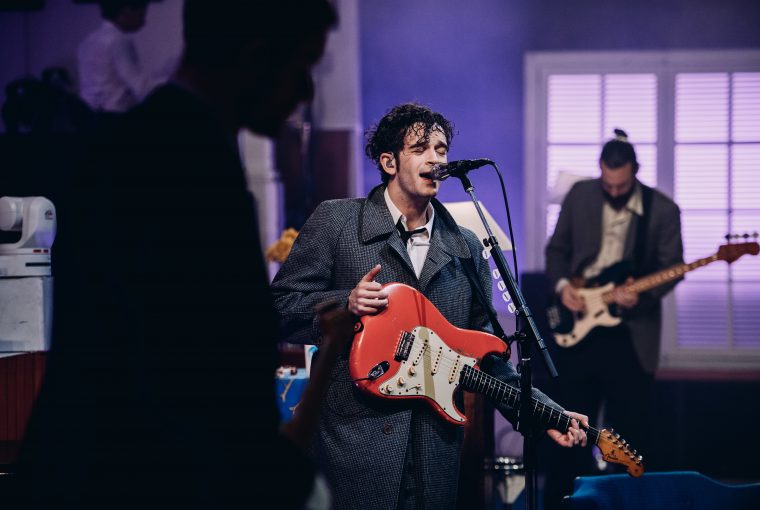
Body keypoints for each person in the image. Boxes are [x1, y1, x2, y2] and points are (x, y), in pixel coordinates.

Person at [10, 1, 337, 508]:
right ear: (255, 58)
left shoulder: (145, 143)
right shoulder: (183, 165)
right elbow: (199, 388)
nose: (306, 92)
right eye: (301, 68)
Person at [271, 102, 590, 510]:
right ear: (388, 162)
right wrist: (344, 302)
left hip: (434, 454)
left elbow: (487, 360)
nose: (436, 159)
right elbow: (278, 309)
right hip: (354, 447)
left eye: (441, 149)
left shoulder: (465, 247)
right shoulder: (337, 222)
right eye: (420, 148)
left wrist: (546, 414)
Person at [542, 129, 684, 509]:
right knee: (569, 427)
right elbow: (556, 251)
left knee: (632, 435)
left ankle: (629, 503)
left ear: (636, 171)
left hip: (631, 334)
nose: (614, 191)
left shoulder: (663, 210)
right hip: (579, 324)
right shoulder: (580, 195)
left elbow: (673, 268)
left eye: (621, 185)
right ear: (600, 171)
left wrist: (642, 294)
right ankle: (562, 502)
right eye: (608, 184)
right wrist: (563, 287)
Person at [77, 0, 157, 112]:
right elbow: (138, 85)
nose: (144, 21)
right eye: (142, 15)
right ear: (126, 11)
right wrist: (169, 87)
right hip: (114, 116)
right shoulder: (118, 40)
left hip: (88, 114)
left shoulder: (87, 41)